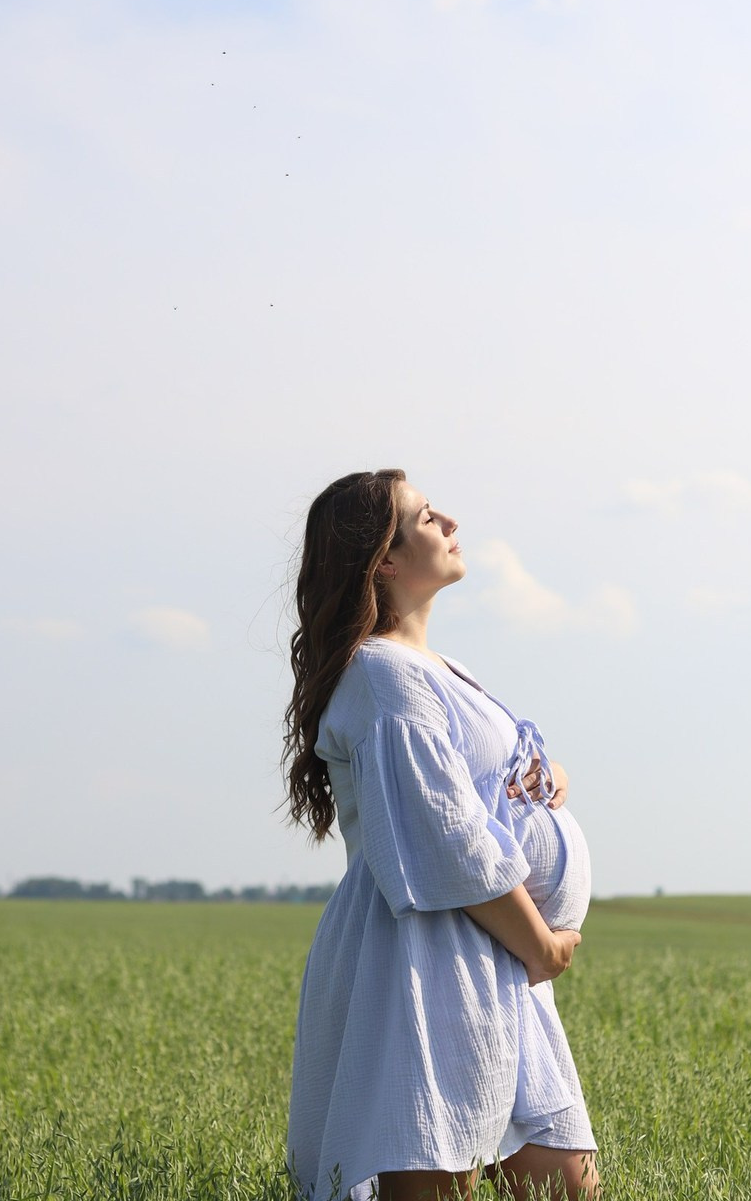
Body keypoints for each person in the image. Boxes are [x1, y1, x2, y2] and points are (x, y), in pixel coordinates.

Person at [283, 469, 600, 1200]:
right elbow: (445, 836)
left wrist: (542, 779)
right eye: (426, 517)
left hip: (489, 951)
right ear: (384, 562)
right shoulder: (382, 677)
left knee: (567, 1185)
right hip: (424, 952)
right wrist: (541, 944)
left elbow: (473, 786)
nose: (450, 521)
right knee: (434, 1170)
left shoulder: (433, 669)